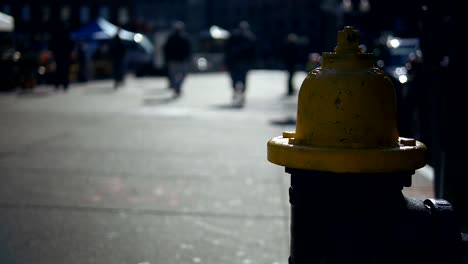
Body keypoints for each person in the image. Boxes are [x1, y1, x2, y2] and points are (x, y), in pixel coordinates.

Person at [224, 20, 256, 107]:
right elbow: (253, 52)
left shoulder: (245, 37)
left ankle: (238, 93)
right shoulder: (249, 37)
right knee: (241, 79)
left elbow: (227, 50)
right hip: (240, 63)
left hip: (238, 63)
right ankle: (240, 94)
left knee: (236, 79)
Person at [163, 21, 192, 97]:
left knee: (177, 75)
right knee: (179, 75)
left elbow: (166, 50)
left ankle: (177, 87)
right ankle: (177, 87)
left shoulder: (181, 38)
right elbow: (166, 50)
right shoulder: (174, 38)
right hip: (177, 60)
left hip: (177, 60)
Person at [50, 22, 74, 91]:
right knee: (64, 70)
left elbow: (52, 45)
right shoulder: (66, 34)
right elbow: (71, 44)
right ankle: (64, 84)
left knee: (59, 69)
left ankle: (58, 84)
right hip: (64, 55)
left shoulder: (57, 34)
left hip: (59, 55)